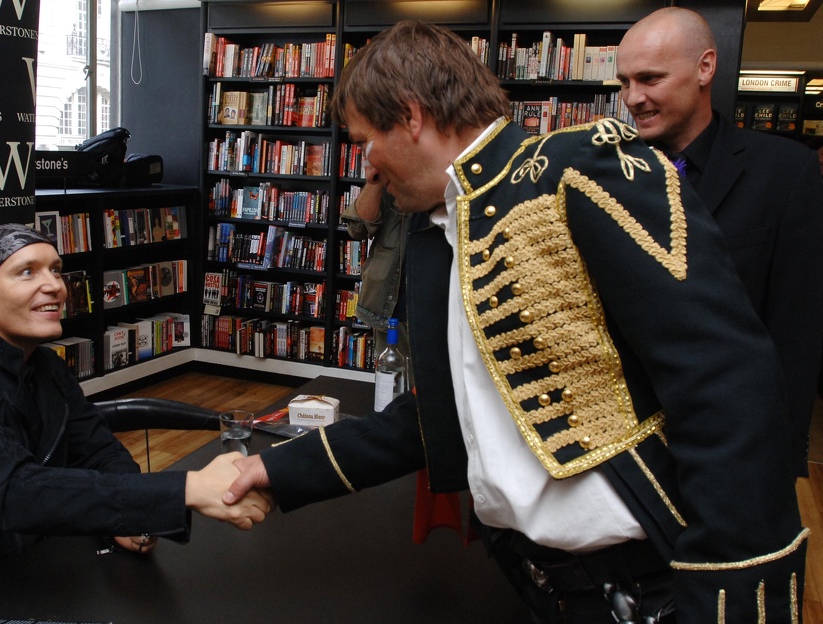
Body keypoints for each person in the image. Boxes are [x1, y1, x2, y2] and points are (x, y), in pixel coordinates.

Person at [225, 20, 807, 623]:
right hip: (528, 576)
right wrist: (272, 468)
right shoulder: (441, 232)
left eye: (365, 139)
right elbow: (438, 418)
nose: (366, 161)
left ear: (411, 115)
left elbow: (725, 385)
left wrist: (730, 599)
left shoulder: (579, 172)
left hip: (642, 585)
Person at [0, 224, 272, 624]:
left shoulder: (41, 365)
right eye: (27, 271)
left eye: (55, 270)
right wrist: (188, 487)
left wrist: (132, 520)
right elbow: (15, 491)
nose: (55, 286)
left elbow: (95, 447)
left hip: (30, 576)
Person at [616, 7, 823, 477]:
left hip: (737, 451)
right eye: (624, 82)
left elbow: (796, 333)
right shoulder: (612, 175)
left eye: (649, 78)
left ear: (705, 68)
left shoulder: (785, 173)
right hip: (632, 455)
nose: (633, 98)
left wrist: (777, 463)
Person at [341, 183, 415, 358]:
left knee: (434, 381)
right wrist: (376, 177)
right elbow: (357, 230)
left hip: (437, 304)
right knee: (391, 379)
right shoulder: (390, 178)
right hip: (391, 305)